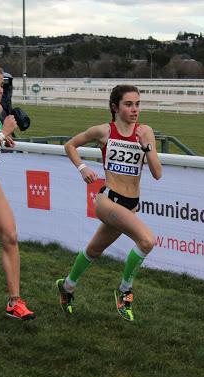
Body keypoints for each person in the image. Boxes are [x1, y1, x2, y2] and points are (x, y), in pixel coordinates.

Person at [56, 84, 162, 321]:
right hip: (107, 200)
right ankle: (124, 292)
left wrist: (147, 146)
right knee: (146, 240)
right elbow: (69, 145)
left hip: (130, 204)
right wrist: (82, 168)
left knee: (94, 250)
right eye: (128, 104)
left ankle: (67, 286)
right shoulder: (104, 131)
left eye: (137, 104)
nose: (135, 109)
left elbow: (157, 173)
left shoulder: (145, 132)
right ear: (115, 107)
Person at [0, 65, 35, 320]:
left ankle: (14, 302)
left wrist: (3, 138)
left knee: (10, 237)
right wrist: (1, 133)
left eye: (0, 85)